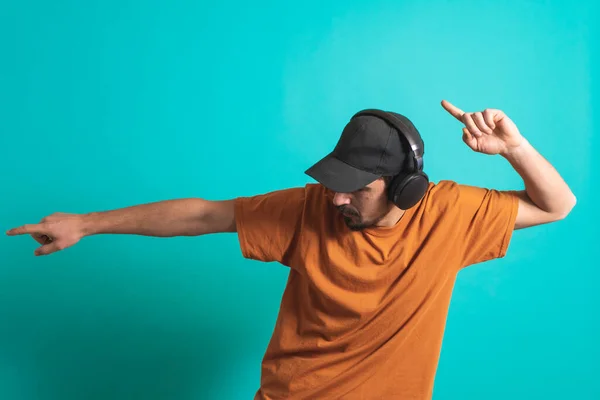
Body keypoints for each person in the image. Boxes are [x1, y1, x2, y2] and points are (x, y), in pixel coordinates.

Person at [6, 100, 576, 399]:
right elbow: (205, 213)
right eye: (335, 181)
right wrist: (86, 222)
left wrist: (514, 148)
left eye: (356, 186)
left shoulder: (452, 214)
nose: (337, 198)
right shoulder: (308, 207)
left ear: (405, 186)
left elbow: (557, 205)